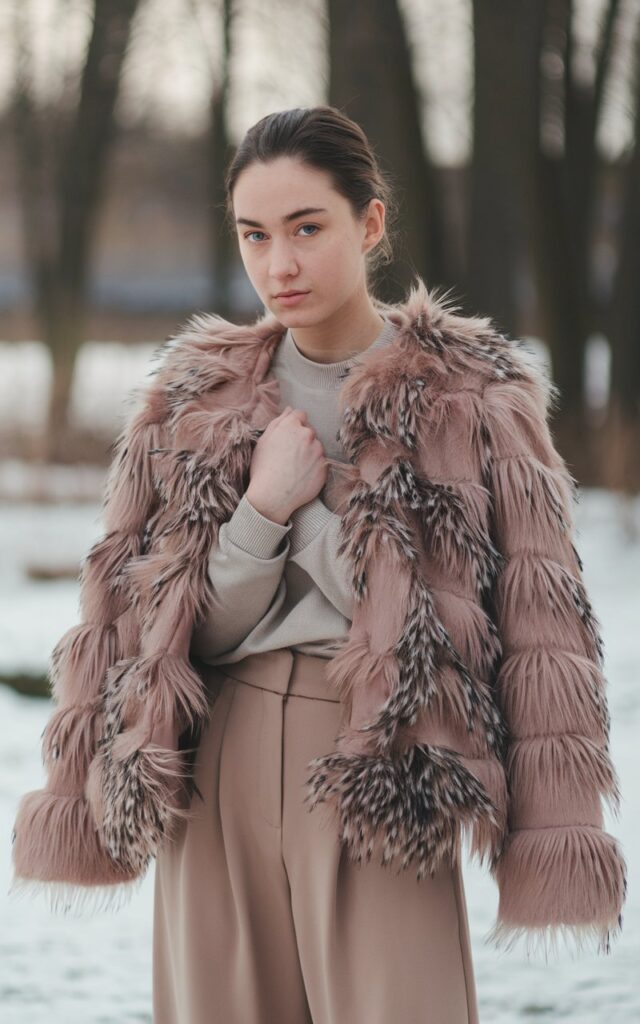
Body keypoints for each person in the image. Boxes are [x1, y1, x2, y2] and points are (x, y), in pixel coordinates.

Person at [10, 105, 626, 1024]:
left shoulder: (474, 400)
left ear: (369, 224)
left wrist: (553, 844)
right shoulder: (192, 401)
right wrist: (261, 509)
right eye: (255, 235)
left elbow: (544, 635)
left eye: (307, 228)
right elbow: (146, 626)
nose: (279, 266)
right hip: (218, 765)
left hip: (383, 770)